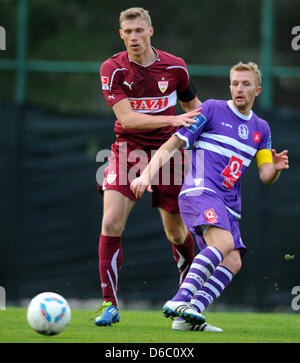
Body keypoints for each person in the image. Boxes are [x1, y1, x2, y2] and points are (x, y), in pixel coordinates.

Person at [130, 61, 289, 331]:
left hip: (229, 204)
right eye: (235, 83)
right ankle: (180, 300)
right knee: (224, 242)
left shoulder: (261, 128)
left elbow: (265, 175)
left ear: (258, 90)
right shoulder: (213, 109)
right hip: (200, 191)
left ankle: (188, 317)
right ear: (229, 86)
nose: (239, 88)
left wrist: (274, 169)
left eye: (246, 84)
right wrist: (146, 175)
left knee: (233, 260)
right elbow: (175, 142)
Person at [95, 7, 211, 328]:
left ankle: (186, 299)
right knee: (111, 221)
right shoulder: (113, 69)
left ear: (150, 31)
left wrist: (209, 136)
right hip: (128, 152)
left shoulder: (175, 67)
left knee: (176, 233)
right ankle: (109, 305)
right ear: (121, 34)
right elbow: (127, 119)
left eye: (139, 31)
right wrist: (173, 118)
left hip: (170, 153)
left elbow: (194, 110)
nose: (133, 37)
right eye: (127, 32)